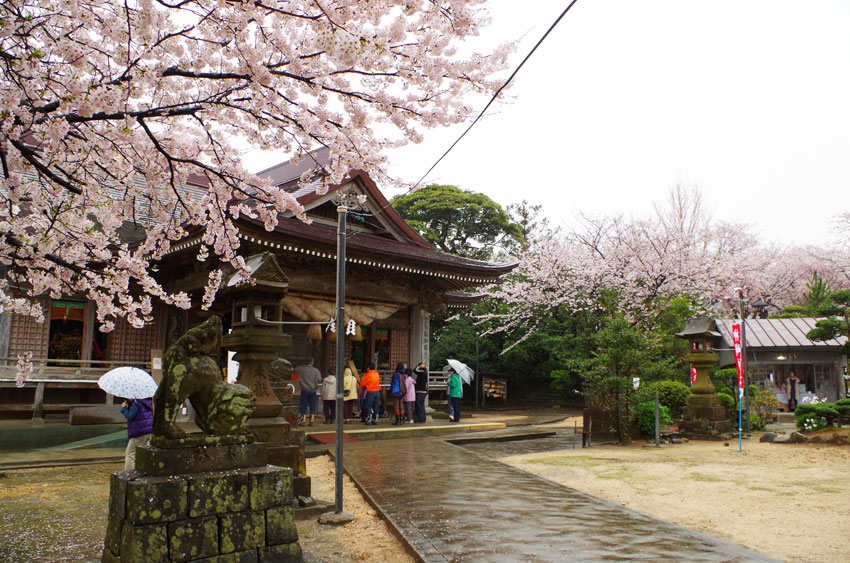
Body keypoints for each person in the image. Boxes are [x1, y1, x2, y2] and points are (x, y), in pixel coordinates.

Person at [121, 397, 153, 470]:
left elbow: (130, 416)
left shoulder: (136, 403)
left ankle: (129, 473)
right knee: (143, 452)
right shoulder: (145, 402)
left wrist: (124, 408)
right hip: (148, 430)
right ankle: (145, 470)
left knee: (130, 453)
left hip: (139, 431)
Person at [295, 358, 322, 426]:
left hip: (304, 390)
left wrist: (303, 366)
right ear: (312, 363)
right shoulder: (316, 370)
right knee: (312, 405)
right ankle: (312, 420)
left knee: (303, 405)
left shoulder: (301, 369)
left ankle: (303, 421)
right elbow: (319, 379)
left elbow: (295, 369)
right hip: (313, 390)